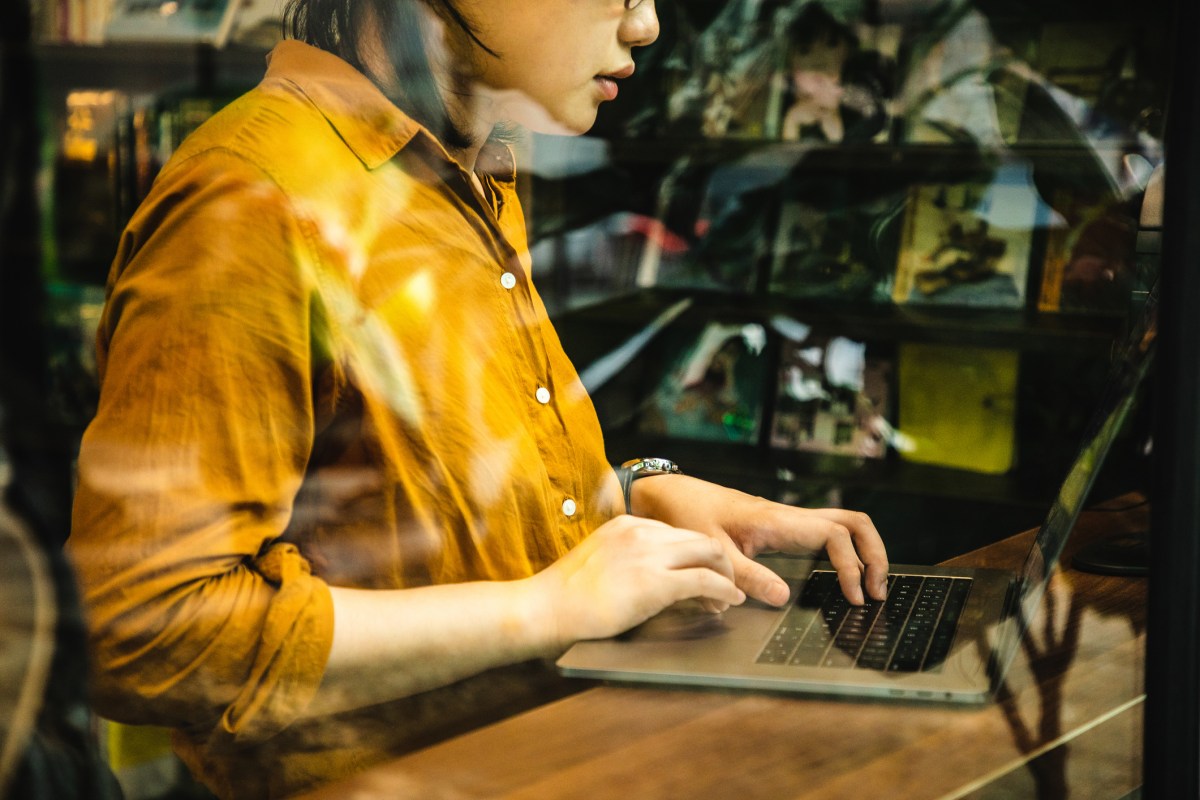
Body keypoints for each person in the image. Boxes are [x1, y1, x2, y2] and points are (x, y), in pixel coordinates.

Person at [64, 1, 890, 798]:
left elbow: (398, 503)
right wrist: (541, 609)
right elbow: (146, 632)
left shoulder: (463, 165)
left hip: (555, 755)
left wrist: (638, 492)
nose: (646, 23)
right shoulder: (257, 201)